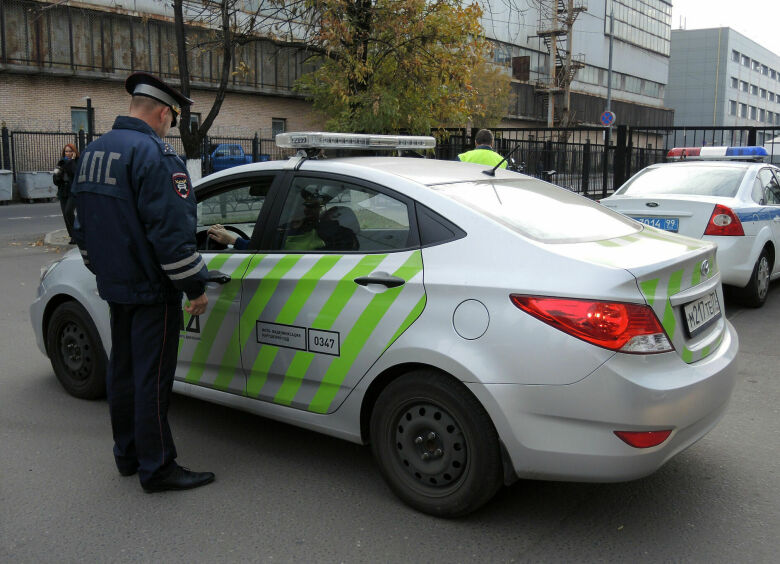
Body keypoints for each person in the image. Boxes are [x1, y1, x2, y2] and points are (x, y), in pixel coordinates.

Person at [71, 72, 214, 493]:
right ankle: (158, 469)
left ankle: (128, 455)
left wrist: (104, 269)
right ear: (164, 112)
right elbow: (171, 235)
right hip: (153, 290)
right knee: (152, 379)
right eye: (172, 117)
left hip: (116, 285)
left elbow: (80, 225)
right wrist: (194, 287)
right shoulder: (155, 156)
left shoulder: (94, 152)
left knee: (125, 373)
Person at [52, 143, 79, 244]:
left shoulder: (77, 162)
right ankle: (72, 236)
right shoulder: (61, 162)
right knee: (65, 215)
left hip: (73, 191)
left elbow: (75, 173)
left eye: (70, 151)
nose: (68, 153)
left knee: (69, 211)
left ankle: (77, 234)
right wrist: (57, 175)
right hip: (63, 191)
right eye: (66, 151)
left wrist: (72, 160)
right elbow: (55, 180)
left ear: (74, 152)